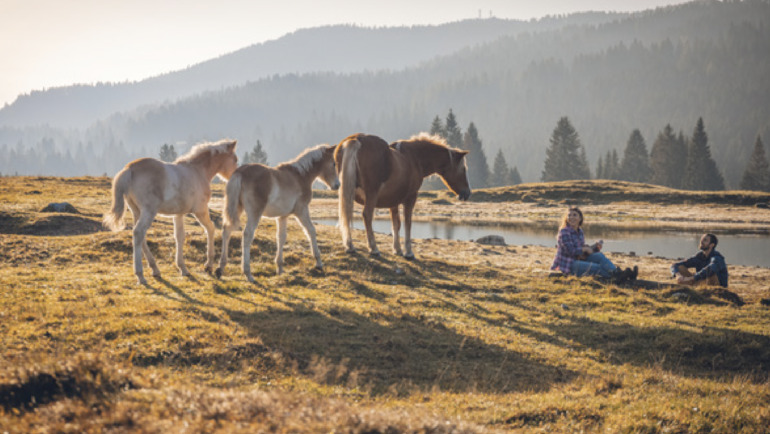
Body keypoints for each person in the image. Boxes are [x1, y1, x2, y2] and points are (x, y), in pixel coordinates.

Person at [551, 206, 637, 282]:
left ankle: (618, 273)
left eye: (574, 215)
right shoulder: (564, 232)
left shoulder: (580, 232)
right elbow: (570, 251)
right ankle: (616, 277)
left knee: (599, 256)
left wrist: (595, 248)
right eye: (569, 215)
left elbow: (582, 253)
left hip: (578, 259)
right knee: (598, 267)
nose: (571, 217)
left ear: (580, 218)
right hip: (569, 265)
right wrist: (584, 249)